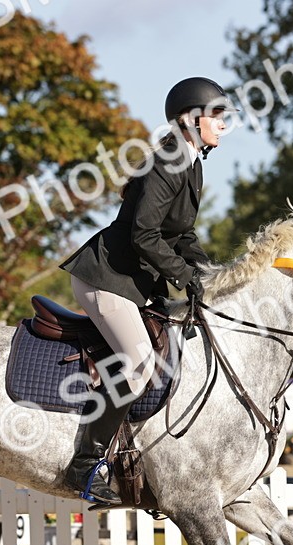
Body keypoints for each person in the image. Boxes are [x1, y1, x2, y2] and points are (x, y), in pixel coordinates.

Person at [57, 76, 232, 505]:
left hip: (134, 282)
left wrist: (210, 273)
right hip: (106, 278)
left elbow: (182, 234)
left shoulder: (192, 163)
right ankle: (84, 466)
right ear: (192, 120)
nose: (224, 125)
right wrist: (184, 276)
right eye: (218, 116)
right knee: (137, 364)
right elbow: (144, 235)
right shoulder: (168, 161)